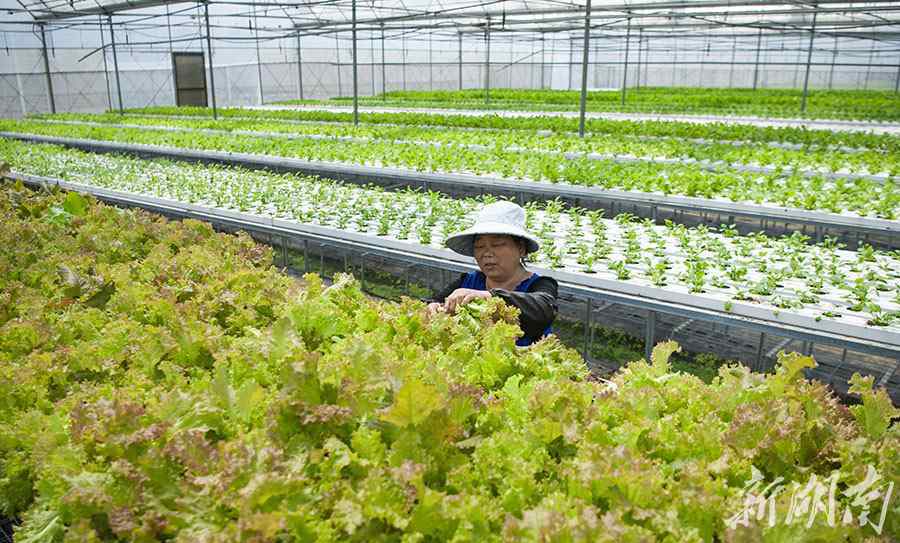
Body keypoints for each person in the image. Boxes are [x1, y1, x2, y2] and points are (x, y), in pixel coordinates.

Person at [427, 200, 558, 347]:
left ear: (521, 248)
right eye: (479, 246)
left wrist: (490, 297)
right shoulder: (469, 281)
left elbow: (544, 308)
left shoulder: (541, 285)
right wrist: (433, 308)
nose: (487, 253)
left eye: (497, 245)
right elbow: (434, 301)